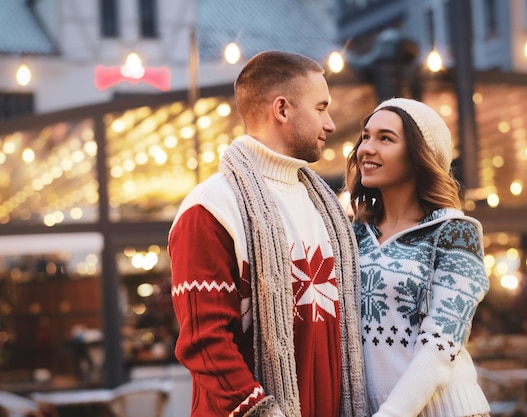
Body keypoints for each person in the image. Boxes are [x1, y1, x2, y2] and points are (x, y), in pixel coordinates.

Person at [168, 50, 368, 417]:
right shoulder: (212, 207)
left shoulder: (326, 209)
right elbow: (205, 343)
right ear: (282, 109)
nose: (331, 124)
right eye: (321, 107)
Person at [345, 97, 491, 417]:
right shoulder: (352, 235)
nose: (367, 148)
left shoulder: (455, 233)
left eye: (385, 138)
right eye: (366, 136)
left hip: (447, 410)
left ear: (418, 156)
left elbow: (440, 347)